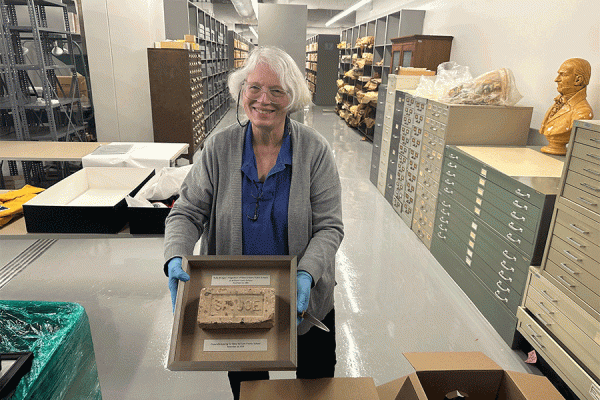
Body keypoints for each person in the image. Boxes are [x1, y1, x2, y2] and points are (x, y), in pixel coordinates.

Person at [162, 46, 344, 399]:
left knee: (316, 387)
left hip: (303, 300)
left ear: (292, 98)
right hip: (235, 300)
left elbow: (329, 226)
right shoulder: (218, 148)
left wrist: (306, 273)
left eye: (277, 90)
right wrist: (175, 257)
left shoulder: (315, 151)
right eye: (255, 88)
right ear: (241, 92)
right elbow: (187, 211)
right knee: (250, 390)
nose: (264, 99)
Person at [540, 58, 593, 155]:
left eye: (563, 74)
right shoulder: (558, 102)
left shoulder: (583, 112)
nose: (556, 79)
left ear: (578, 80)